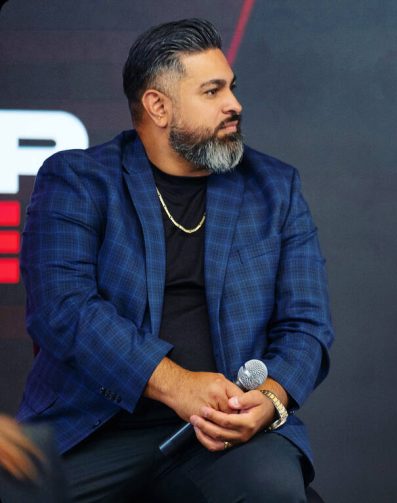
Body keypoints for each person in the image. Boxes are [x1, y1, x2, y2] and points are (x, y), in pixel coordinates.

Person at [17, 18, 334, 502]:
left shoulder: (274, 187)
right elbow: (63, 309)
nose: (234, 104)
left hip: (223, 432)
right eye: (212, 91)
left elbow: (307, 325)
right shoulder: (78, 180)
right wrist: (175, 384)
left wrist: (270, 397)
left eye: (231, 87)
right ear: (158, 106)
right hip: (94, 426)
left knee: (271, 491)